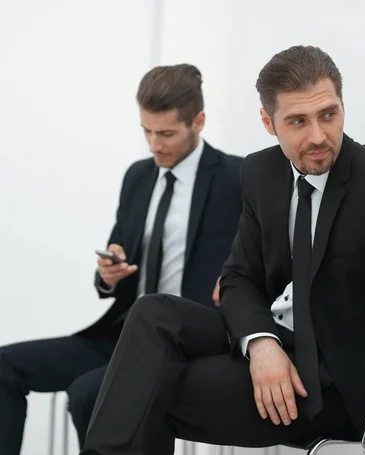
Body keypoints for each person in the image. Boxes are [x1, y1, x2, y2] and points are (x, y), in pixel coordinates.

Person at [81, 45, 365, 455]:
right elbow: (238, 277)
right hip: (274, 341)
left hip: (335, 381)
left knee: (135, 391)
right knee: (152, 312)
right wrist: (260, 342)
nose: (318, 136)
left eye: (328, 115)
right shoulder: (261, 172)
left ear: (342, 106)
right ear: (268, 122)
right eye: (298, 121)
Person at [0, 63, 242, 453]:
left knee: (88, 394)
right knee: (4, 366)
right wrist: (108, 273)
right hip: (123, 331)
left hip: (185, 341)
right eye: (146, 131)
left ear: (198, 121)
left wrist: (236, 282)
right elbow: (119, 253)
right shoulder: (138, 177)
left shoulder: (238, 177)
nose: (154, 145)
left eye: (166, 133)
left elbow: (266, 257)